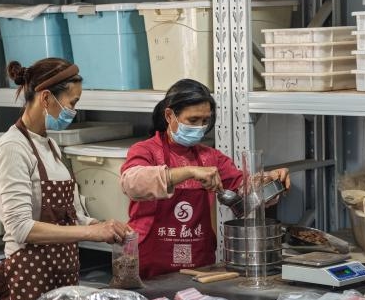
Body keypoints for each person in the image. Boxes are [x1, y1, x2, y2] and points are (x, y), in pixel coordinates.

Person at [0, 57, 130, 300]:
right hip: (29, 275)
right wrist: (91, 233)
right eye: (71, 102)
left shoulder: (51, 146)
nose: (73, 112)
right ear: (45, 98)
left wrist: (101, 225)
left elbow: (71, 215)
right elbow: (21, 228)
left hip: (62, 274)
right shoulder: (13, 148)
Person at [119, 79, 290, 278]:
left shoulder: (211, 157)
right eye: (193, 120)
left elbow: (243, 192)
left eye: (205, 121)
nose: (200, 127)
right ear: (169, 115)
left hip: (199, 266)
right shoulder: (145, 150)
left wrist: (269, 181)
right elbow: (131, 183)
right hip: (149, 265)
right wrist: (189, 172)